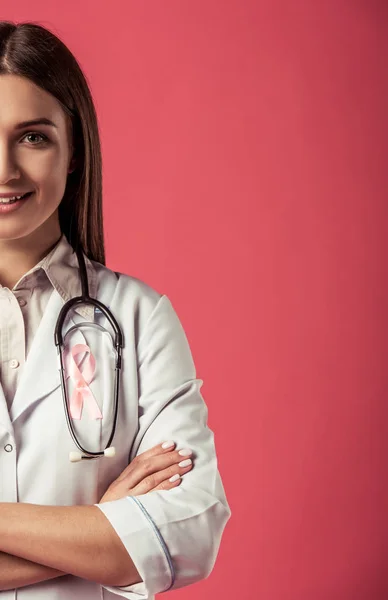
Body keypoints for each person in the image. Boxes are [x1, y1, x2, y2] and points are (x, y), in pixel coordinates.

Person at [0, 20, 230, 599]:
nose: (4, 169)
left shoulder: (139, 315)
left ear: (74, 149)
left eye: (32, 136)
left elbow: (192, 528)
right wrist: (101, 528)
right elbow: (141, 542)